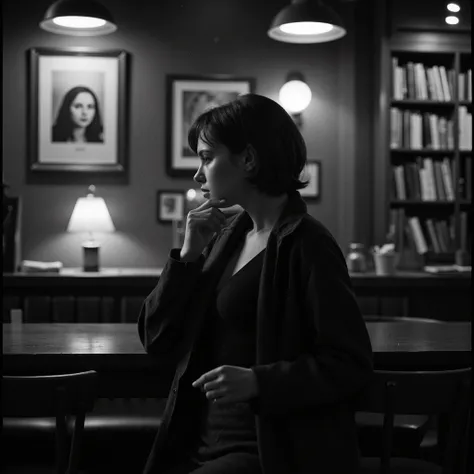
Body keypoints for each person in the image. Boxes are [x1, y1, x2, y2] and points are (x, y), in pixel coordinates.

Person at [138, 93, 373, 474]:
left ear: (248, 159)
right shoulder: (224, 236)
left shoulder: (308, 244)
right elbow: (156, 338)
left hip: (267, 449)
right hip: (195, 439)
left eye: (206, 157)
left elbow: (350, 364)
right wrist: (186, 258)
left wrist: (259, 382)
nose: (198, 174)